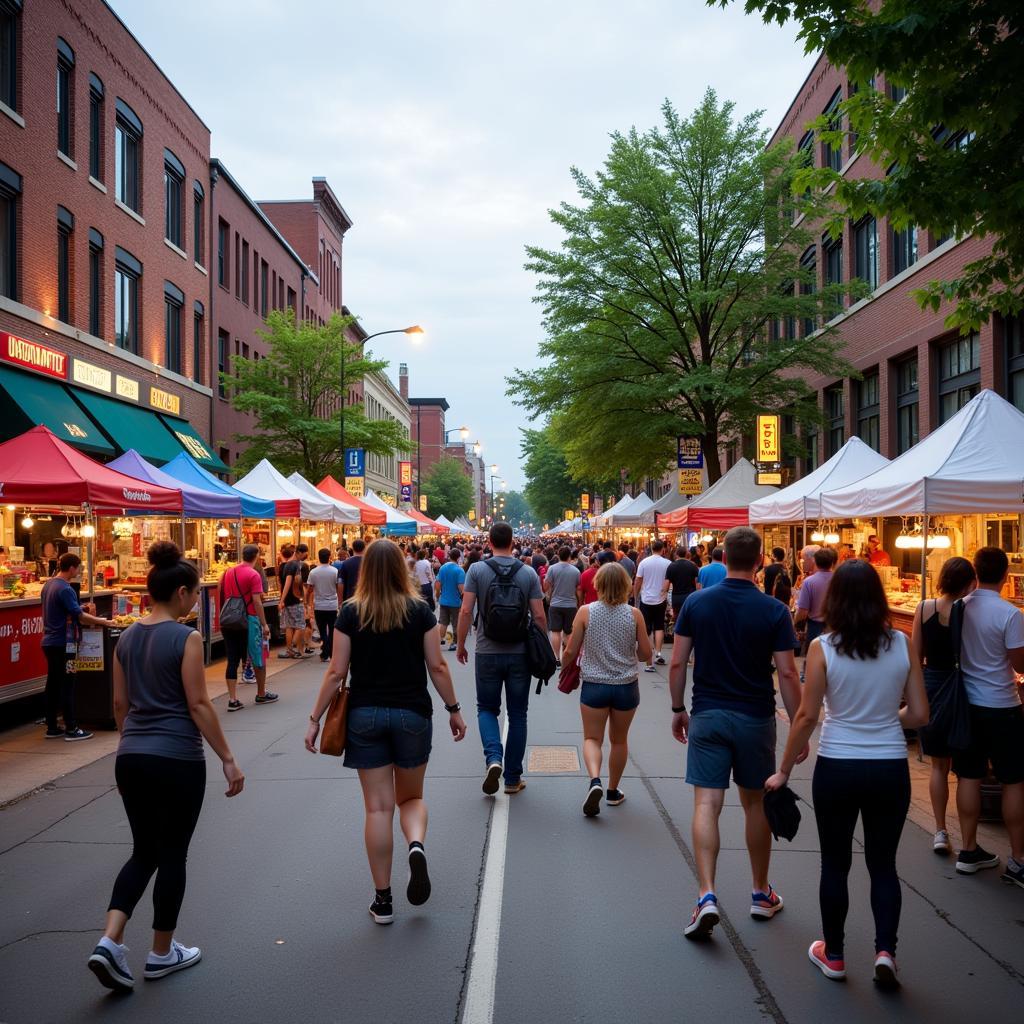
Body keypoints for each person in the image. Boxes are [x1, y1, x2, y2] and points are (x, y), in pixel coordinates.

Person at [87, 542, 244, 992]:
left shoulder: (127, 637)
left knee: (143, 850)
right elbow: (197, 702)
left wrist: (127, 749)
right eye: (194, 594)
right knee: (173, 852)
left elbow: (121, 703)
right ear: (179, 592)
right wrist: (229, 759)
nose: (196, 601)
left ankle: (110, 940)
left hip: (131, 756)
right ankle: (161, 953)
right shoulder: (187, 637)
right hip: (177, 757)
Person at [766, 559, 928, 988]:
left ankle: (834, 954)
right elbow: (921, 714)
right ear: (879, 598)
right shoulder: (902, 643)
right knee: (884, 865)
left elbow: (806, 715)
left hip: (838, 765)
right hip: (890, 767)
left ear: (834, 598)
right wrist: (885, 716)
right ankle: (886, 952)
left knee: (835, 864)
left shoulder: (824, 647)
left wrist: (784, 768)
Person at [305, 540, 467, 925]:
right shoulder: (420, 611)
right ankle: (415, 844)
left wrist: (315, 719)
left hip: (364, 716)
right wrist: (454, 710)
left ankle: (383, 900)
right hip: (412, 713)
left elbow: (336, 671)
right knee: (410, 798)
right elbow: (437, 667)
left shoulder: (350, 612)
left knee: (377, 807)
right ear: (401, 569)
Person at [669, 527, 804, 941]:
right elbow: (786, 671)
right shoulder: (775, 610)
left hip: (708, 714)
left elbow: (677, 663)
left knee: (707, 805)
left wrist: (678, 709)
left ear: (722, 557)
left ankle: (706, 894)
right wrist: (799, 722)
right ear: (760, 560)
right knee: (755, 804)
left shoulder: (696, 602)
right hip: (755, 717)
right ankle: (760, 892)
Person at [951, 547, 1024, 884]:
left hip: (967, 703)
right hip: (1003, 704)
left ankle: (968, 849)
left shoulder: (959, 608)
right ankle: (1017, 860)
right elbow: (1019, 665)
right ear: (1006, 575)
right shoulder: (1010, 614)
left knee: (968, 775)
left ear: (975, 572)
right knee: (1012, 780)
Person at [457, 522, 546, 796]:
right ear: (513, 542)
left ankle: (493, 758)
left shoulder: (476, 570)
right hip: (519, 653)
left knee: (486, 708)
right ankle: (512, 778)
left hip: (487, 650)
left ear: (489, 541)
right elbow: (540, 615)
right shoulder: (528, 572)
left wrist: (460, 643)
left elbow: (465, 610)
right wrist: (543, 648)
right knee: (518, 714)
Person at [563, 562, 650, 816]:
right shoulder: (634, 614)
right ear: (625, 585)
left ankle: (594, 781)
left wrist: (561, 666)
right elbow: (645, 654)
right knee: (619, 740)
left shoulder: (585, 612)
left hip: (594, 684)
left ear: (597, 584)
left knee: (592, 739)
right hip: (626, 686)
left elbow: (570, 649)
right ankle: (613, 791)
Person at [910, 556, 977, 854]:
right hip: (964, 689)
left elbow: (914, 656)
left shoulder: (924, 608)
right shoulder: (971, 612)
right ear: (968, 583)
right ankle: (969, 841)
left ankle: (939, 831)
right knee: (966, 769)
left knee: (938, 765)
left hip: (933, 686)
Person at [41, 553, 115, 741]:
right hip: (66, 645)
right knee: (68, 682)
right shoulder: (65, 589)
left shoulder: (49, 585)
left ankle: (52, 726)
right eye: (78, 567)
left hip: (49, 642)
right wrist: (104, 622)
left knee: (53, 683)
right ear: (72, 568)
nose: (79, 571)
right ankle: (72, 727)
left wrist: (79, 607)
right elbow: (80, 617)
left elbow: (63, 609)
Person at [220, 544, 277, 711]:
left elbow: (222, 591)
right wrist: (264, 624)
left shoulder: (229, 571)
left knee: (232, 659)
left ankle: (232, 699)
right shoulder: (254, 574)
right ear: (257, 556)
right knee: (258, 656)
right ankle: (261, 693)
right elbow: (257, 601)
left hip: (230, 618)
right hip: (249, 619)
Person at [634, 538, 671, 672]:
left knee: (647, 629)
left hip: (646, 599)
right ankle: (658, 653)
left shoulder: (644, 562)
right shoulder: (668, 563)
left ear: (651, 548)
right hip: (660, 598)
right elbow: (669, 582)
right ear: (663, 549)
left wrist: (635, 594)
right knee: (659, 626)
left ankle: (649, 661)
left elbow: (638, 580)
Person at [794, 546, 837, 648]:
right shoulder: (839, 579)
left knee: (813, 658)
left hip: (815, 627)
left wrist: (794, 623)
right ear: (832, 562)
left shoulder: (809, 582)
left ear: (815, 561)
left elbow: (803, 612)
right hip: (835, 626)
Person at [545, 546, 581, 660]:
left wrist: (550, 590)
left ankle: (557, 657)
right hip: (571, 605)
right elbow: (578, 589)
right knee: (568, 632)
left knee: (555, 631)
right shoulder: (575, 571)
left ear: (558, 555)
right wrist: (579, 603)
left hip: (555, 604)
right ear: (569, 556)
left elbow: (546, 586)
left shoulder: (552, 568)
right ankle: (568, 655)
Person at [308, 548, 342, 663]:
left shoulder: (313, 572)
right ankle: (330, 652)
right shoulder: (335, 571)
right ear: (329, 557)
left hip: (319, 605)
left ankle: (325, 651)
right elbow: (338, 587)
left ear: (319, 557)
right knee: (332, 629)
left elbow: (310, 589)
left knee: (322, 629)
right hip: (332, 604)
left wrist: (308, 602)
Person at [276, 544, 310, 659]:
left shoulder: (287, 565)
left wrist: (282, 599)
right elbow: (288, 583)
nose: (305, 557)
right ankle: (295, 648)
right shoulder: (294, 565)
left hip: (289, 600)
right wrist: (282, 600)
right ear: (299, 552)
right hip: (294, 599)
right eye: (305, 554)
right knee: (301, 625)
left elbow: (282, 583)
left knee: (289, 626)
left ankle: (290, 650)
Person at [435, 548, 466, 651]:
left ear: (449, 556)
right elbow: (461, 588)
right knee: (455, 623)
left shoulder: (443, 568)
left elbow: (438, 585)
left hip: (444, 600)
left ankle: (439, 640)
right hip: (455, 602)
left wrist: (438, 596)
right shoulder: (459, 570)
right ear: (458, 557)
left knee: (443, 622)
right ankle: (454, 643)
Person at [666, 545, 699, 629]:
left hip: (676, 597)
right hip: (690, 596)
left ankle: (678, 636)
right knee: (690, 617)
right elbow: (697, 583)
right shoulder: (693, 565)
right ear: (686, 554)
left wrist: (664, 595)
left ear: (677, 554)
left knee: (677, 618)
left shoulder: (671, 566)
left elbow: (666, 584)